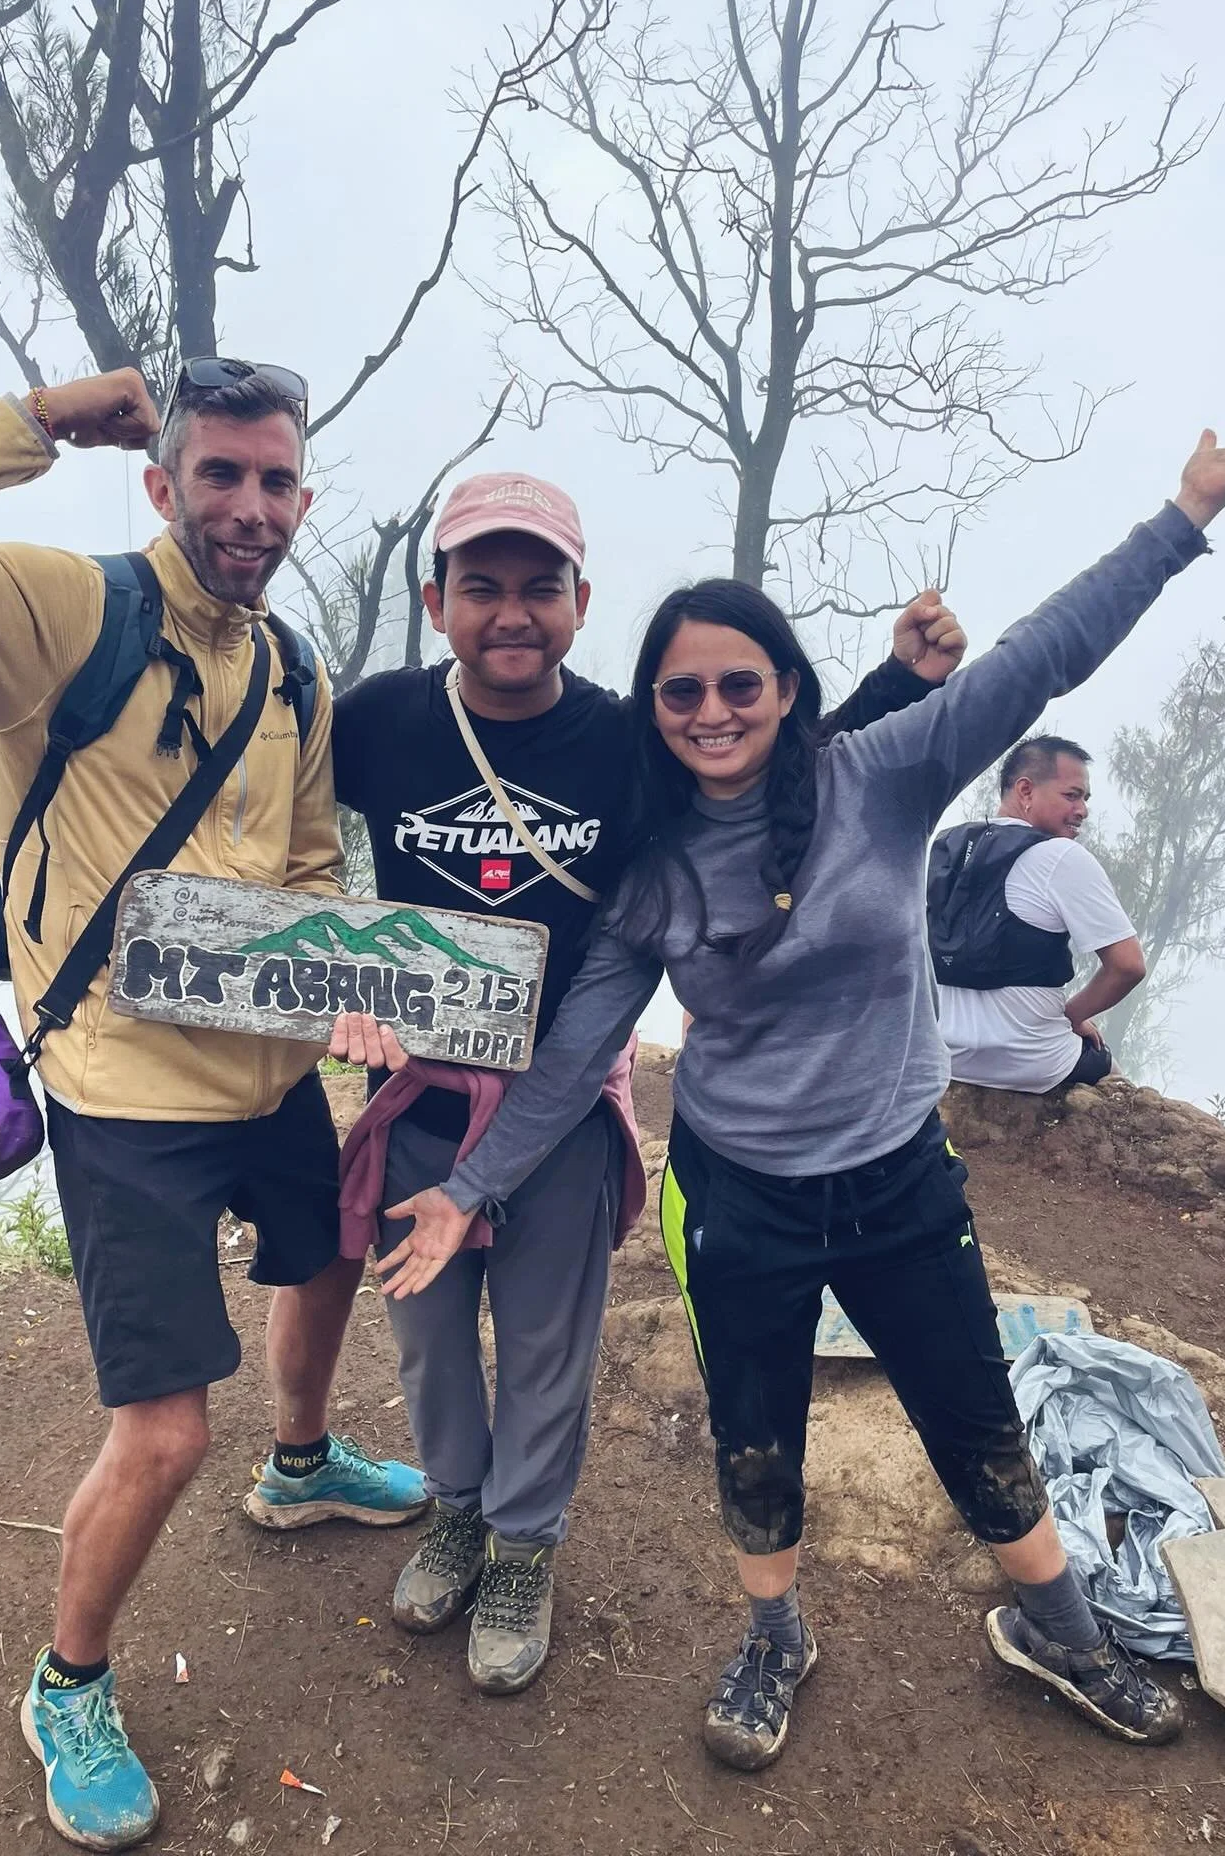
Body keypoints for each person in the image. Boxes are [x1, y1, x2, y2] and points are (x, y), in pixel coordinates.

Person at [379, 402, 1225, 1766]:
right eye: (682, 692)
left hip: (900, 1172)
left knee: (972, 1410)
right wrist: (467, 1190)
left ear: (789, 690)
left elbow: (1043, 657)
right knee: (756, 1432)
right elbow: (577, 1054)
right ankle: (771, 1635)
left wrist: (1187, 514)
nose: (712, 711)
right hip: (738, 1191)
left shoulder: (885, 772)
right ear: (657, 711)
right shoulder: (654, 869)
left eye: (741, 683)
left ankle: (1058, 1626)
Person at [0, 364, 424, 1851]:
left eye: (278, 480)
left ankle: (299, 1470)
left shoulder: (293, 670)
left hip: (267, 1076)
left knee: (329, 1248)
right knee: (162, 1436)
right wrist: (30, 422)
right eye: (220, 474)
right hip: (122, 1099)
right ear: (162, 484)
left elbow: (298, 871)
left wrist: (343, 986)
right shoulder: (68, 619)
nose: (252, 506)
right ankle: (69, 1679)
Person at [283, 470, 968, 1696]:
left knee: (547, 1342)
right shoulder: (380, 720)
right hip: (420, 1097)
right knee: (428, 1333)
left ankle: (525, 1547)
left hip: (561, 1098)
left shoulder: (616, 738)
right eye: (481, 586)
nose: (512, 612)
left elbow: (764, 765)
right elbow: (263, 817)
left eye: (540, 586)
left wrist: (902, 685)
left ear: (581, 599)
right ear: (436, 601)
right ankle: (456, 1508)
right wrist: (321, 949)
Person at [929, 736, 1145, 1090]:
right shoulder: (1061, 856)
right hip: (1033, 1060)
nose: (1083, 811)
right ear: (1025, 791)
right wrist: (1071, 1017)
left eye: (1085, 799)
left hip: (947, 1054)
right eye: (1072, 795)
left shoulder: (947, 848)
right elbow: (1128, 965)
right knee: (1123, 1095)